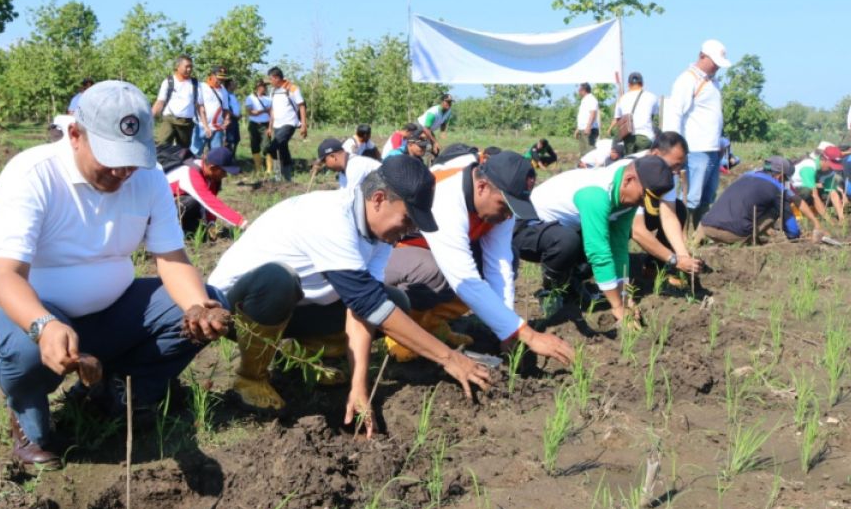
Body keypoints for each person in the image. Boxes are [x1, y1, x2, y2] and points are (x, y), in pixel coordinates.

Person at [0, 81, 241, 469]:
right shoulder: (32, 174)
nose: (122, 170)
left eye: (131, 158)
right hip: (25, 318)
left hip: (108, 313)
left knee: (204, 303)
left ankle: (112, 392)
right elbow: (6, 277)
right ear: (75, 135)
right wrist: (44, 325)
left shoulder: (145, 178)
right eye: (111, 156)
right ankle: (28, 416)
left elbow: (172, 258)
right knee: (26, 347)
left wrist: (199, 307)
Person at [208, 157, 493, 427]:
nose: (407, 231)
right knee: (279, 279)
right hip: (235, 311)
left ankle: (314, 356)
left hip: (293, 308)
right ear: (379, 199)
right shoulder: (330, 218)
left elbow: (365, 308)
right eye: (407, 219)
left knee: (394, 300)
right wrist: (450, 358)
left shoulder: (379, 235)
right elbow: (368, 305)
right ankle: (250, 378)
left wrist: (358, 386)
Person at [384, 151, 575, 366]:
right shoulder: (446, 196)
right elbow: (464, 278)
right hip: (392, 254)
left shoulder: (501, 204)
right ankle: (402, 329)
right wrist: (527, 335)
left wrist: (508, 331)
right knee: (438, 273)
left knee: (506, 259)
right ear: (482, 187)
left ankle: (432, 324)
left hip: (439, 255)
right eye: (504, 206)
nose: (508, 217)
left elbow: (499, 265)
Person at [515, 156, 675, 327]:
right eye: (642, 198)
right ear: (629, 180)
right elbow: (598, 252)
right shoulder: (596, 194)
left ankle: (570, 284)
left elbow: (618, 248)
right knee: (570, 242)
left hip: (560, 228)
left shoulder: (626, 195)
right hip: (525, 228)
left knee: (595, 237)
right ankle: (551, 290)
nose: (641, 204)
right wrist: (618, 307)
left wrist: (625, 298)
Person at [663, 39, 730, 225]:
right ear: (702, 56)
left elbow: (713, 116)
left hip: (713, 148)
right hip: (695, 148)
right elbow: (674, 113)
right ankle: (684, 234)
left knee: (708, 196)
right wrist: (673, 146)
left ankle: (700, 233)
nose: (717, 66)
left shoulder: (712, 82)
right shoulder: (687, 79)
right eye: (714, 62)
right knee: (692, 197)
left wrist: (721, 141)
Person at [626, 132, 705, 282]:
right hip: (613, 223)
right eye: (674, 165)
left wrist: (683, 255)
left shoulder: (664, 173)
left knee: (679, 209)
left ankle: (652, 269)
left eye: (681, 166)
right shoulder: (635, 171)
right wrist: (674, 259)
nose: (676, 171)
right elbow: (637, 230)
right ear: (655, 154)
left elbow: (669, 216)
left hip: (636, 217)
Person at [695, 157, 801, 245]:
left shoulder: (744, 178)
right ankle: (748, 239)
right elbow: (792, 229)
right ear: (780, 176)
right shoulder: (777, 189)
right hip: (733, 234)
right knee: (775, 209)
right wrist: (794, 236)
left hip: (706, 227)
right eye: (785, 179)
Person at [167, 146, 248, 237]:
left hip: (178, 205)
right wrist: (241, 222)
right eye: (223, 171)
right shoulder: (191, 174)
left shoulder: (211, 177)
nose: (225, 175)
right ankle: (169, 231)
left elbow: (211, 201)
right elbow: (211, 203)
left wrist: (211, 223)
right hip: (159, 209)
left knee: (200, 227)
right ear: (212, 167)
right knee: (194, 201)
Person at [265, 66, 307, 182]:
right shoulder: (273, 91)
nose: (270, 81)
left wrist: (304, 125)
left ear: (277, 78)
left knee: (273, 148)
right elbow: (272, 109)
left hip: (289, 123)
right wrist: (270, 127)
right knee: (282, 149)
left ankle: (281, 175)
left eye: (271, 79)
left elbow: (302, 106)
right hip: (277, 125)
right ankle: (284, 178)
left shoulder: (292, 88)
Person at [152, 55, 200, 149]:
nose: (189, 69)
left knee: (183, 150)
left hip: (186, 122)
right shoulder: (169, 81)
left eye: (191, 66)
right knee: (161, 145)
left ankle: (179, 163)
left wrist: (204, 123)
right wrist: (149, 117)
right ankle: (161, 163)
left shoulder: (195, 84)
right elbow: (160, 102)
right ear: (178, 66)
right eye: (187, 66)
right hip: (170, 119)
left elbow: (199, 104)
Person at [791, 145, 845, 227]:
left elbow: (833, 193)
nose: (831, 168)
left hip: (810, 189)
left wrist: (841, 218)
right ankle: (798, 210)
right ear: (823, 159)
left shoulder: (829, 171)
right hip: (794, 189)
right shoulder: (808, 166)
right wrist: (830, 221)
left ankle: (815, 209)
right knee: (807, 191)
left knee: (835, 192)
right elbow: (814, 195)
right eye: (830, 165)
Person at [612, 72, 659, 154]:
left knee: (630, 164)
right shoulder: (652, 97)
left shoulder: (622, 99)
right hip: (645, 137)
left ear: (629, 84)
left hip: (628, 138)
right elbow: (653, 117)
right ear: (642, 84)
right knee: (643, 164)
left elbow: (618, 119)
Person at [191, 65, 232, 155]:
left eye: (222, 79)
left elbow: (226, 108)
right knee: (195, 153)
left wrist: (227, 119)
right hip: (201, 126)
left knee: (216, 155)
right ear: (212, 75)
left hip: (217, 128)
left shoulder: (223, 90)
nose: (220, 81)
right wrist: (206, 127)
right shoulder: (201, 87)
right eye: (218, 78)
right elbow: (200, 107)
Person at [244, 80, 272, 174]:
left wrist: (270, 127)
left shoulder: (269, 99)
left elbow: (272, 114)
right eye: (263, 86)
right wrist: (264, 110)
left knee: (267, 146)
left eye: (265, 86)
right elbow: (251, 112)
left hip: (265, 125)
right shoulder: (250, 98)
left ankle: (269, 169)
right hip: (254, 125)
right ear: (258, 87)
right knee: (254, 146)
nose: (265, 88)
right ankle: (258, 168)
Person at [574, 83, 600, 149]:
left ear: (583, 90)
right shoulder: (584, 100)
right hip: (582, 129)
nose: (578, 92)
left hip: (589, 130)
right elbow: (583, 116)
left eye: (579, 90)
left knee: (590, 152)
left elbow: (593, 114)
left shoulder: (591, 99)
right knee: (583, 152)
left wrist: (588, 127)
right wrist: (578, 129)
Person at [223, 79, 243, 158]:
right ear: (229, 85)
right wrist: (234, 116)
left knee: (236, 139)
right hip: (230, 119)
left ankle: (232, 156)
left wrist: (239, 115)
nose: (235, 85)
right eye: (233, 84)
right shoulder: (226, 95)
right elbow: (226, 108)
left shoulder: (233, 95)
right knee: (230, 139)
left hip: (235, 120)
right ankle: (228, 158)